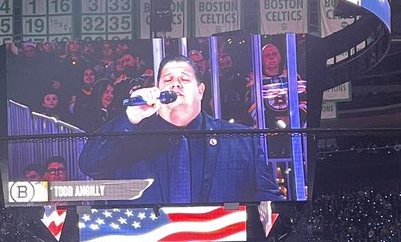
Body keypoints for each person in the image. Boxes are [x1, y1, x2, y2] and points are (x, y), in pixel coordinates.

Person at [78, 55, 281, 204]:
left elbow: (270, 204)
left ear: (200, 91)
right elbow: (90, 164)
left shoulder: (241, 141)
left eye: (184, 79)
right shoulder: (130, 136)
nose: (175, 84)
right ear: (156, 89)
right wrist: (131, 118)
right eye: (167, 80)